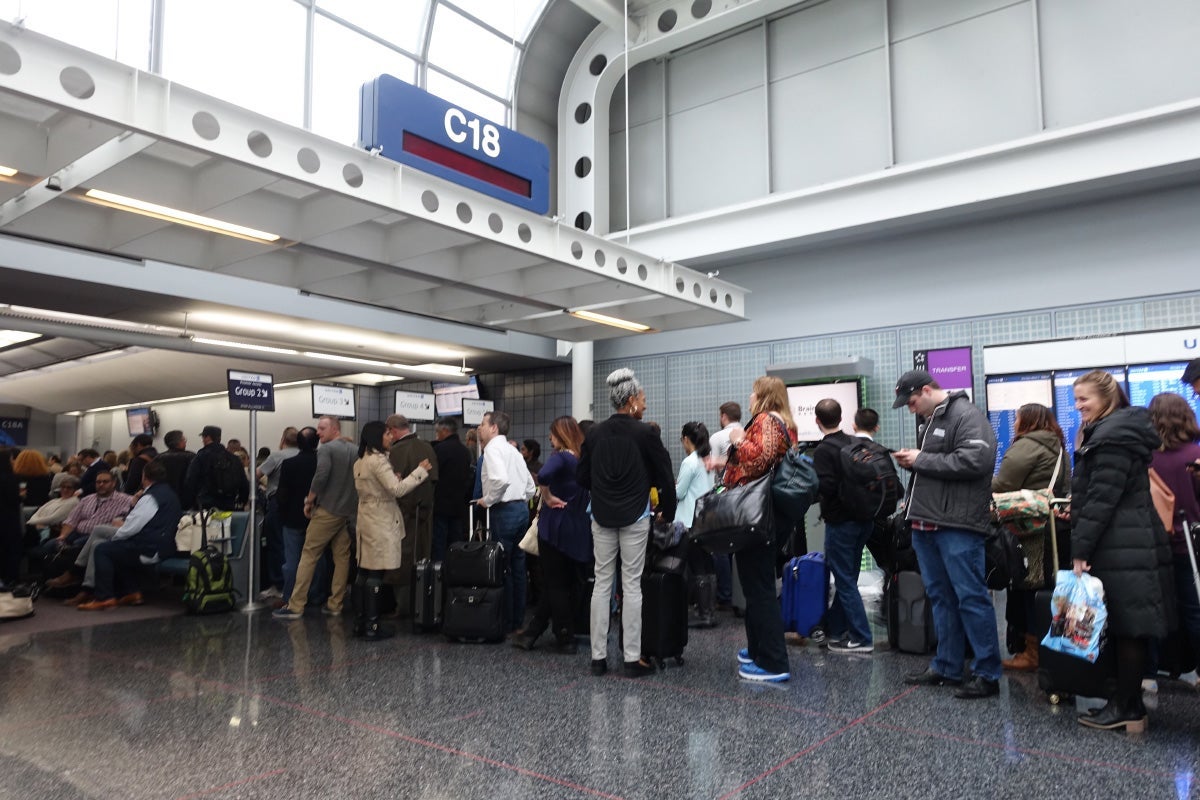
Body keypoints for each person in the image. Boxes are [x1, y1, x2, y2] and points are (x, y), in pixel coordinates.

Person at [1066, 370, 1169, 731]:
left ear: (1106, 399)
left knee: (1127, 627)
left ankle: (1127, 707)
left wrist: (1080, 549)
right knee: (1126, 625)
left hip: (1121, 544)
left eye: (1084, 399)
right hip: (1129, 540)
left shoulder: (1111, 438)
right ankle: (1128, 703)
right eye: (1075, 399)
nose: (1078, 406)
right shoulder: (1116, 431)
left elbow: (1101, 499)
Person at [892, 369, 1003, 699]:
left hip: (957, 525)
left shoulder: (966, 415)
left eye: (912, 401)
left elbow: (977, 461)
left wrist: (921, 459)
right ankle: (947, 665)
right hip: (927, 523)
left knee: (971, 597)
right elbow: (937, 467)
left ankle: (987, 673)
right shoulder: (931, 420)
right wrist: (915, 464)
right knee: (941, 597)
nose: (910, 408)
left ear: (927, 390)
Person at [578, 368, 677, 678]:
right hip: (635, 515)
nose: (645, 404)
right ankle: (632, 659)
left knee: (601, 583)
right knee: (632, 584)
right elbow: (665, 475)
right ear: (632, 399)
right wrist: (668, 510)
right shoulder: (645, 433)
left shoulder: (594, 433)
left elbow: (582, 476)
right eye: (643, 399)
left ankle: (597, 658)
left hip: (601, 515)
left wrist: (604, 488)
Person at [713, 376, 795, 682]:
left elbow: (761, 457)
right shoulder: (781, 422)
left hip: (757, 516)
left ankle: (773, 662)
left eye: (753, 392)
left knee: (759, 589)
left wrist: (737, 439)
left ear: (763, 396)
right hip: (765, 515)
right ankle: (759, 649)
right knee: (755, 586)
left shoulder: (766, 420)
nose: (749, 397)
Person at [994, 403, 1070, 673]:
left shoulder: (1027, 445)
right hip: (1053, 527)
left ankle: (1032, 652)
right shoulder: (1058, 447)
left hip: (1028, 528)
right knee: (1045, 587)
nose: (1014, 423)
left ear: (1026, 421)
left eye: (1017, 418)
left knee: (1027, 586)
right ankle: (1047, 650)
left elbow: (1003, 484)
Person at [513, 416, 592, 654]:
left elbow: (544, 475)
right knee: (563, 583)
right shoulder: (583, 459)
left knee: (555, 584)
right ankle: (532, 632)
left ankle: (565, 637)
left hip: (554, 526)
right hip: (578, 528)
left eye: (553, 433)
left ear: (562, 435)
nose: (550, 438)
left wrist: (546, 497)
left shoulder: (561, 457)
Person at [352, 421, 431, 640]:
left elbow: (377, 487)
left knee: (363, 571)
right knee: (376, 572)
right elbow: (397, 490)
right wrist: (419, 472)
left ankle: (360, 622)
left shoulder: (361, 461)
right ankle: (373, 625)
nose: (390, 437)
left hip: (366, 518)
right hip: (381, 521)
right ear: (377, 436)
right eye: (387, 434)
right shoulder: (379, 461)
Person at [274, 416, 357, 621]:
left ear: (335, 429)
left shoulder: (326, 449)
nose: (318, 432)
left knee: (309, 554)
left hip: (327, 510)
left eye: (322, 428)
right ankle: (335, 603)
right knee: (342, 557)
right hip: (347, 512)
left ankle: (296, 605)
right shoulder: (354, 449)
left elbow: (321, 475)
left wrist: (309, 500)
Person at [813, 398, 874, 656]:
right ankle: (837, 630)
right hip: (864, 520)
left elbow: (826, 486)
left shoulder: (823, 450)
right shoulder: (854, 442)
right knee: (848, 576)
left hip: (840, 522)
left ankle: (862, 637)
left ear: (817, 421)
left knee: (845, 580)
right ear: (841, 418)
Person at [77, 461, 182, 610]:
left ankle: (104, 597)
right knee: (116, 550)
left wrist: (114, 537)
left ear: (144, 477)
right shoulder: (170, 494)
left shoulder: (150, 498)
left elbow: (132, 527)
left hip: (150, 548)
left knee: (102, 549)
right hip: (165, 546)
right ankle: (132, 592)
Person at [1147, 393, 1200, 686]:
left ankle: (1149, 673)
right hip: (1190, 545)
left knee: (1153, 609)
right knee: (1194, 609)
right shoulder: (1195, 455)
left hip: (1154, 544)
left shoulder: (1146, 458)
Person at [476, 411, 537, 633]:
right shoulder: (513, 451)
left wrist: (488, 500)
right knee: (519, 567)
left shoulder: (492, 449)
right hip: (521, 510)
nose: (479, 428)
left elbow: (500, 480)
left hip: (503, 511)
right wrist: (520, 499)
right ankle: (518, 621)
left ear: (494, 428)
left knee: (504, 567)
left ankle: (507, 621)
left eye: (483, 424)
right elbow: (531, 487)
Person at [385, 414, 438, 613]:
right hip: (425, 513)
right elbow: (434, 479)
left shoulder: (396, 451)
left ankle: (402, 607)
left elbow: (393, 486)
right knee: (422, 557)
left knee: (401, 560)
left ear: (392, 430)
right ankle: (421, 604)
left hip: (402, 514)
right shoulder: (427, 447)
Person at [275, 427, 326, 612]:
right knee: (317, 559)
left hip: (292, 518)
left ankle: (290, 596)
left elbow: (282, 494)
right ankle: (316, 595)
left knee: (292, 560)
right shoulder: (322, 463)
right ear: (317, 442)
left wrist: (282, 514)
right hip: (318, 517)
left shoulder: (289, 464)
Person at [676, 421, 716, 628]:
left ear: (686, 439)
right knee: (707, 565)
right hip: (706, 518)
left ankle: (704, 614)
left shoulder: (689, 462)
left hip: (690, 519)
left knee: (696, 565)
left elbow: (679, 493)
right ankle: (709, 611)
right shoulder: (706, 459)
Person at [256, 427, 300, 602]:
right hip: (299, 504)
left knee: (275, 543)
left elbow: (257, 474)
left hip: (277, 502)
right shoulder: (304, 455)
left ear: (283, 440)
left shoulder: (276, 456)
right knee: (295, 544)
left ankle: (279, 585)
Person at [706, 402, 742, 611]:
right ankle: (740, 595)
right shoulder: (746, 434)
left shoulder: (717, 437)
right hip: (746, 499)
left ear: (723, 416)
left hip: (724, 496)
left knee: (720, 547)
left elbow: (711, 469)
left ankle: (725, 595)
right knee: (741, 547)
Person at [430, 417, 471, 562]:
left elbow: (433, 475)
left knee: (439, 543)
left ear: (444, 430)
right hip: (459, 506)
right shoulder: (465, 451)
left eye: (437, 432)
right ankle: (456, 570)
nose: (437, 436)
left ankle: (439, 571)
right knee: (456, 543)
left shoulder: (439, 449)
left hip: (440, 505)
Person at [184, 426, 249, 511]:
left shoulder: (201, 457)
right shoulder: (233, 458)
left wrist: (191, 503)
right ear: (219, 438)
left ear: (207, 438)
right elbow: (244, 483)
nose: (202, 440)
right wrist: (242, 501)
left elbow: (190, 480)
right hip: (229, 503)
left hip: (205, 504)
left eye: (203, 437)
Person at [152, 430, 196, 507]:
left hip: (164, 496)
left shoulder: (158, 458)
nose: (185, 441)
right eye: (183, 439)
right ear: (179, 442)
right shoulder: (191, 456)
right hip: (186, 498)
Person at [0, 449, 21, 587]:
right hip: (9, 518)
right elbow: (14, 499)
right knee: (11, 549)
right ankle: (11, 579)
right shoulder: (11, 478)